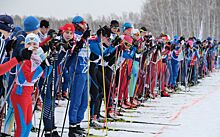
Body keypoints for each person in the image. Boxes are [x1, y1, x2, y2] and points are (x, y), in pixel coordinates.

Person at [10, 33, 47, 137]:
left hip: (28, 94)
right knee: (22, 127)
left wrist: (48, 64)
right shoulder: (24, 58)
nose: (32, 45)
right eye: (29, 43)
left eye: (35, 43)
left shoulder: (36, 57)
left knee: (28, 124)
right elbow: (29, 77)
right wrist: (42, 66)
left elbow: (44, 75)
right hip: (20, 94)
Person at [68, 15, 90, 137]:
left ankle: (77, 123)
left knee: (84, 101)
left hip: (85, 70)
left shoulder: (84, 36)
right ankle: (72, 127)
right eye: (83, 23)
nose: (85, 25)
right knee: (76, 100)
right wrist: (82, 39)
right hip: (77, 70)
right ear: (77, 24)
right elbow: (73, 48)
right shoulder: (74, 35)